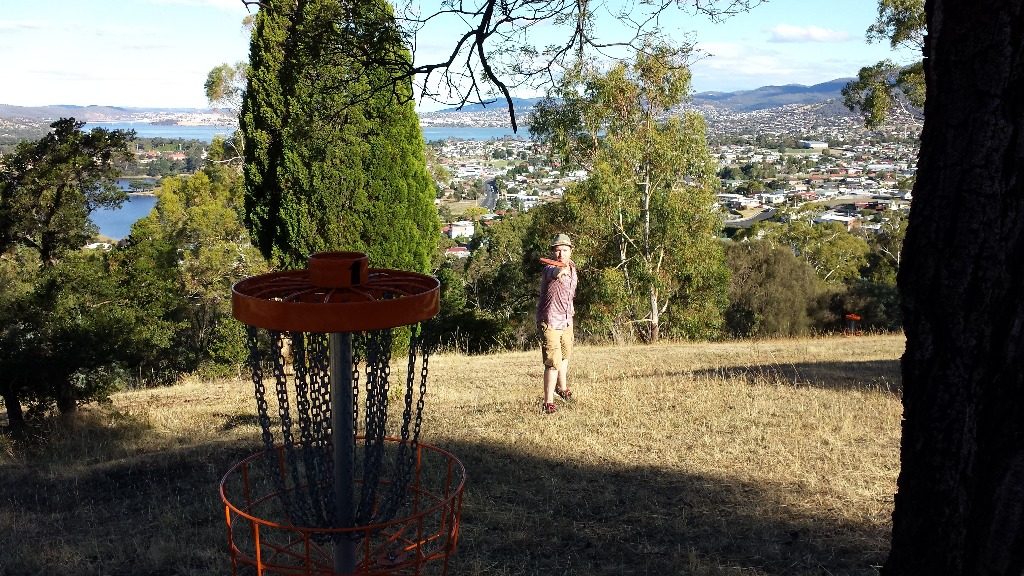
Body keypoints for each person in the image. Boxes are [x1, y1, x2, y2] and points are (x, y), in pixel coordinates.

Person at [536, 233, 578, 414]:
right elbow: (555, 273)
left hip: (567, 320)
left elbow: (570, 291)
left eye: (564, 250)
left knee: (565, 356)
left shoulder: (573, 268)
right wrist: (558, 272)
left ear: (570, 251)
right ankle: (548, 402)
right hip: (551, 321)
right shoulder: (549, 270)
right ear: (553, 253)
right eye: (557, 251)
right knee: (553, 362)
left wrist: (571, 307)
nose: (560, 254)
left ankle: (562, 388)